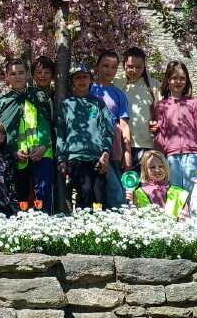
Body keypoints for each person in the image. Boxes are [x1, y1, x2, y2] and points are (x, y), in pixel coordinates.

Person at [0, 58, 54, 212]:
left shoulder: (40, 96)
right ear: (7, 77)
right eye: (13, 74)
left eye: (21, 73)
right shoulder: (2, 103)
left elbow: (49, 124)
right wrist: (13, 152)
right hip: (16, 157)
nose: (18, 76)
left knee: (43, 195)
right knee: (19, 197)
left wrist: (43, 146)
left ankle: (44, 224)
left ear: (28, 75)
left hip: (42, 152)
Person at [57, 65, 114, 211]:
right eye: (77, 77)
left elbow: (108, 129)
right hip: (75, 158)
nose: (81, 80)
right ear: (72, 82)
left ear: (90, 80)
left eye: (85, 77)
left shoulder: (98, 104)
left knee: (99, 196)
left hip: (97, 158)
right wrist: (61, 159)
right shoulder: (66, 105)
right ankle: (83, 223)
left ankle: (99, 222)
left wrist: (105, 153)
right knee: (85, 192)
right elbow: (61, 134)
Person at [152, 60, 197, 191]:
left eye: (182, 78)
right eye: (174, 78)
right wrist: (160, 156)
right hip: (171, 155)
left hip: (193, 154)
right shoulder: (162, 105)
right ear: (168, 80)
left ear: (187, 81)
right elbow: (160, 133)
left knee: (193, 190)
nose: (178, 81)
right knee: (175, 191)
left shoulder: (194, 103)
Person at [91, 50, 132, 207]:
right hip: (92, 144)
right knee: (96, 189)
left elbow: (124, 124)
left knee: (115, 189)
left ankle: (115, 215)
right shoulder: (89, 89)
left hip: (114, 145)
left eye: (113, 67)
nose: (109, 70)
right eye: (105, 66)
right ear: (97, 67)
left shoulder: (119, 94)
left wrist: (127, 152)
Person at [122, 47, 159, 171]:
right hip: (123, 146)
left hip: (147, 144)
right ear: (123, 65)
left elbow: (164, 111)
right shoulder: (117, 84)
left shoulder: (154, 85)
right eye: (130, 66)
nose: (134, 70)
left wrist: (159, 124)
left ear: (144, 67)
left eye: (139, 67)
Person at [127, 150, 188, 218]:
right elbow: (133, 218)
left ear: (166, 168)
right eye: (152, 167)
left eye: (161, 166)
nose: (157, 170)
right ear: (145, 170)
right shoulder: (137, 193)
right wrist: (132, 202)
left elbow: (185, 218)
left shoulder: (179, 193)